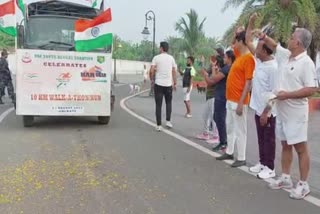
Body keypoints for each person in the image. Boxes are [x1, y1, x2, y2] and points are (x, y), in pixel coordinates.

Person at [258, 27, 317, 199]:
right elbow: (274, 46)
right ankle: (285, 178)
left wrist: (288, 95)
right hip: (281, 111)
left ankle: (304, 184)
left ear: (297, 43)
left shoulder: (306, 63)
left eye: (292, 38)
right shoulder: (285, 57)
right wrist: (262, 36)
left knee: (300, 147)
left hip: (296, 114)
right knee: (285, 144)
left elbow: (312, 89)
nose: (288, 39)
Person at [216, 30, 255, 168]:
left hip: (239, 100)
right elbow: (232, 43)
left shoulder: (249, 58)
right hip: (230, 98)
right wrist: (236, 33)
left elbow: (248, 82)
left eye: (237, 41)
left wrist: (240, 103)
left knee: (240, 130)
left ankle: (241, 157)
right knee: (231, 127)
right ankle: (230, 151)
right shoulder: (239, 55)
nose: (234, 44)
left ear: (242, 42)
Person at [246, 13, 278, 179]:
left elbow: (275, 92)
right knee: (260, 138)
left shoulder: (273, 67)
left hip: (268, 111)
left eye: (258, 48)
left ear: (265, 50)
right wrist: (251, 23)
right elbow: (247, 41)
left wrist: (266, 111)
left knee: (268, 139)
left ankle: (270, 167)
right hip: (258, 108)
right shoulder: (259, 61)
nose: (255, 50)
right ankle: (262, 162)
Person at [203, 50, 235, 151]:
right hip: (220, 95)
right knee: (217, 118)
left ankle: (224, 142)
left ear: (229, 58)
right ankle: (223, 141)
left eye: (225, 57)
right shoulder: (227, 68)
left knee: (220, 118)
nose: (224, 58)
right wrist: (213, 68)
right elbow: (214, 78)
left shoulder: (226, 69)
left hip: (222, 97)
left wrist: (205, 74)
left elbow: (211, 81)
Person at [150, 42, 177, 131]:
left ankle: (159, 125)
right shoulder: (171, 58)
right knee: (168, 103)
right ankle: (168, 121)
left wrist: (152, 79)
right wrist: (175, 82)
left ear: (161, 48)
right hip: (168, 84)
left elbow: (151, 71)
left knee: (158, 105)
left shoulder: (156, 58)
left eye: (159, 47)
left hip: (158, 84)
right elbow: (174, 71)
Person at [196, 55, 219, 142]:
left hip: (214, 96)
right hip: (209, 95)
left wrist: (206, 75)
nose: (211, 61)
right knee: (205, 115)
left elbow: (210, 82)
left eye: (213, 60)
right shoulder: (211, 69)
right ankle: (206, 133)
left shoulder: (217, 70)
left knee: (214, 117)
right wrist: (201, 63)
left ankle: (216, 136)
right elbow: (203, 72)